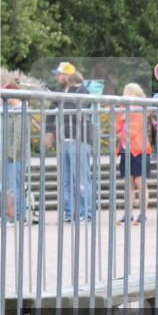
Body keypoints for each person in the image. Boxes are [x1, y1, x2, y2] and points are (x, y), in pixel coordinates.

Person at [44, 64, 94, 222]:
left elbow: (77, 108)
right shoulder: (61, 92)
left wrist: (57, 97)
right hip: (63, 140)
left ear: (68, 76)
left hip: (80, 140)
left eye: (59, 75)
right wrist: (49, 131)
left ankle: (86, 213)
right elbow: (51, 114)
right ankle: (69, 213)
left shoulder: (83, 91)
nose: (57, 78)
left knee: (81, 179)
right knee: (65, 180)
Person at [115, 84, 152, 225]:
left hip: (139, 150)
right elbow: (116, 128)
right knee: (129, 184)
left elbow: (133, 131)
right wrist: (122, 120)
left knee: (140, 183)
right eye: (125, 93)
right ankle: (128, 214)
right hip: (126, 150)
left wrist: (122, 132)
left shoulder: (141, 109)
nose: (125, 96)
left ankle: (143, 215)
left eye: (128, 93)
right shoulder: (124, 109)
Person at [3, 84, 26, 223]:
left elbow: (18, 135)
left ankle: (17, 216)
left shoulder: (20, 110)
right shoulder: (11, 109)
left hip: (15, 156)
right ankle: (13, 215)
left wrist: (10, 154)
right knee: (12, 187)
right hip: (10, 155)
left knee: (15, 186)